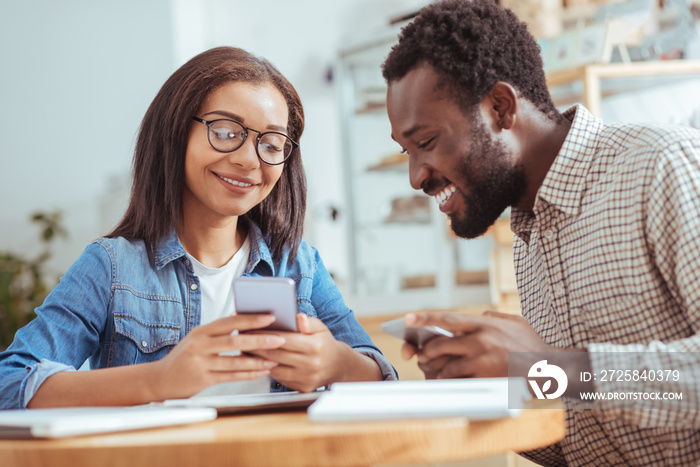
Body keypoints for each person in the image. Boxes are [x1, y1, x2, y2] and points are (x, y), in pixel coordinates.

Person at [382, 0, 700, 465]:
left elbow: (571, 378)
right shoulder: (529, 228)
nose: (415, 177)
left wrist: (553, 370)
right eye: (406, 151)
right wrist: (492, 390)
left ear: (500, 107)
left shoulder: (662, 165)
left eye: (425, 143)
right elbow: (585, 440)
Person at [0, 46, 396, 410]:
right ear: (176, 133)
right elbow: (10, 383)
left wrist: (336, 363)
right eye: (225, 132)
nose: (248, 159)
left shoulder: (300, 266)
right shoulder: (113, 267)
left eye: (272, 144)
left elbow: (382, 382)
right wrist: (158, 379)